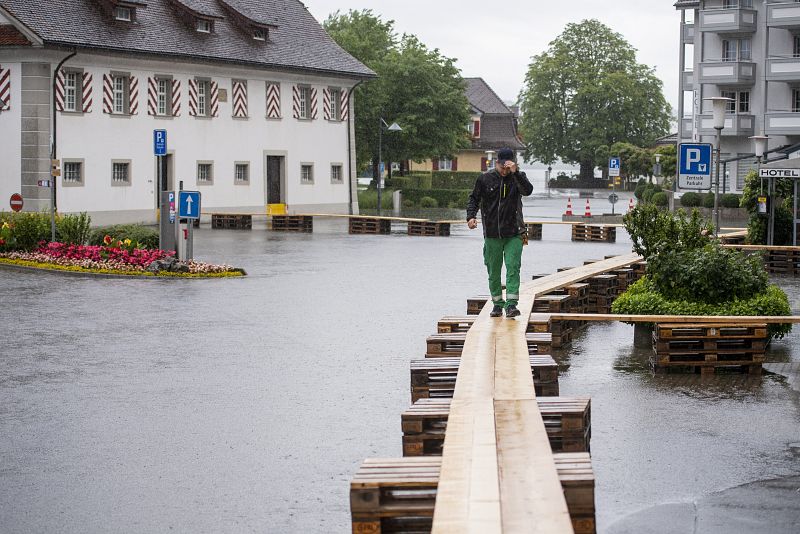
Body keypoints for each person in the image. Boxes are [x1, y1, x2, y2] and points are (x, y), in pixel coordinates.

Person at [466, 147, 533, 318]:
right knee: (493, 271)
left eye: (508, 167)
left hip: (514, 233)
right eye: (502, 166)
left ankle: (511, 305)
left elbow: (528, 191)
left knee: (513, 267)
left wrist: (516, 173)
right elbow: (474, 198)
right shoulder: (485, 179)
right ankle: (497, 304)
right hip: (492, 233)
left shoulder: (518, 178)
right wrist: (471, 216)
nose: (505, 170)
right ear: (497, 163)